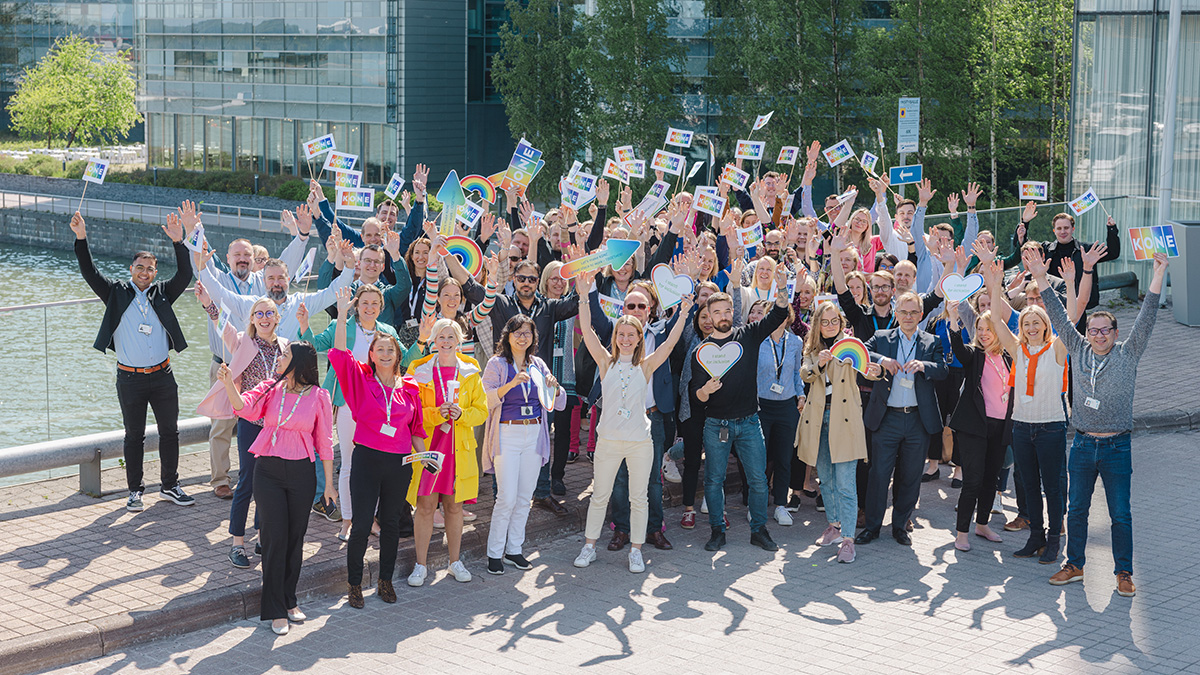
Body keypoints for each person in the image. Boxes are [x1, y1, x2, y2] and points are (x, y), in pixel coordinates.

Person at [1039, 251, 1168, 598]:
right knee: (1077, 510)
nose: (1097, 335)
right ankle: (1075, 566)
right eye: (1093, 330)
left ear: (1114, 332)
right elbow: (1057, 316)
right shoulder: (1077, 348)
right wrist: (1040, 277)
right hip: (1081, 445)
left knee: (1120, 515)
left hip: (1116, 446)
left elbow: (1148, 316)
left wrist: (1157, 274)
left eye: (1104, 330)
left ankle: (1123, 572)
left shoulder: (1128, 353)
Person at [177, 200, 309, 500]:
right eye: (237, 254)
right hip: (226, 364)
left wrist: (301, 235)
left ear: (255, 259)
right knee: (222, 427)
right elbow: (199, 261)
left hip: (261, 369)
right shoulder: (220, 278)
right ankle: (220, 479)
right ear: (228, 257)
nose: (242, 259)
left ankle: (256, 476)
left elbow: (287, 261)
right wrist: (192, 229)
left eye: (247, 255)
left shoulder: (263, 286)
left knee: (260, 424)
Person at [69, 210, 195, 512]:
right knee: (134, 436)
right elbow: (89, 272)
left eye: (150, 268)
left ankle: (169, 486)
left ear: (154, 272)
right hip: (130, 378)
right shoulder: (116, 292)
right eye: (140, 267)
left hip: (163, 376)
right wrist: (81, 238)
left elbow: (185, 275)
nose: (145, 272)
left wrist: (180, 242)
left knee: (170, 432)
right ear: (131, 269)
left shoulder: (163, 293)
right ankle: (135, 491)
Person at [216, 342, 335, 635]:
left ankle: (289, 599)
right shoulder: (270, 387)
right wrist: (229, 382)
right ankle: (275, 609)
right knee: (273, 538)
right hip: (267, 471)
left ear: (298, 362)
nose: (279, 358)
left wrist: (329, 485)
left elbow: (325, 444)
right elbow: (243, 408)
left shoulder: (319, 396)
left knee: (295, 539)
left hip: (301, 474)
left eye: (284, 355)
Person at [573, 281, 693, 572]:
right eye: (621, 334)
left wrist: (685, 311)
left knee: (640, 497)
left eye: (631, 335)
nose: (626, 339)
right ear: (615, 337)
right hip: (609, 442)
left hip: (641, 442)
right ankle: (589, 546)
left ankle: (636, 550)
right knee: (601, 495)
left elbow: (669, 343)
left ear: (639, 338)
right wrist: (583, 297)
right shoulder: (605, 361)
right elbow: (587, 331)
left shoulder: (647, 365)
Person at [299, 284, 425, 541]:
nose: (369, 308)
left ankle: (370, 519)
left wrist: (422, 338)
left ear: (381, 307)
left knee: (377, 463)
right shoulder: (341, 325)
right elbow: (314, 345)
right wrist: (304, 325)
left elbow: (404, 361)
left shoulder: (387, 332)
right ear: (357, 305)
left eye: (374, 304)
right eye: (365, 303)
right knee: (349, 462)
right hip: (348, 403)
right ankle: (348, 519)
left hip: (379, 410)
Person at [328, 287, 427, 609]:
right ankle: (354, 584)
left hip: (400, 464)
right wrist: (342, 313)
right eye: (379, 349)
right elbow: (340, 354)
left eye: (390, 349)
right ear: (371, 354)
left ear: (398, 355)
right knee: (360, 527)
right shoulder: (360, 381)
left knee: (391, 526)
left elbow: (416, 429)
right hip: (368, 460)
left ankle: (385, 580)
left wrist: (425, 458)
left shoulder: (409, 388)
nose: (385, 354)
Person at [690, 263, 792, 553]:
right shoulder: (702, 350)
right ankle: (717, 531)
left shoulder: (747, 335)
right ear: (707, 317)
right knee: (714, 480)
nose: (722, 317)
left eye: (727, 311)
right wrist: (705, 391)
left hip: (749, 422)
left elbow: (779, 314)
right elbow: (695, 396)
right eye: (716, 312)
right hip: (716, 425)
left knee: (759, 479)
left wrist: (782, 287)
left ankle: (759, 530)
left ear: (733, 312)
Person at [983, 256, 1069, 565]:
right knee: (1029, 485)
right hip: (1022, 426)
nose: (1031, 328)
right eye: (1026, 324)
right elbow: (994, 321)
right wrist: (994, 286)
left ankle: (1054, 541)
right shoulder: (1018, 349)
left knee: (1053, 487)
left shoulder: (1057, 347)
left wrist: (1066, 284)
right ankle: (1035, 538)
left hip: (1051, 427)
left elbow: (1069, 319)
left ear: (1046, 326)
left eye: (1037, 323)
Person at [195, 293, 288, 568]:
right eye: (258, 314)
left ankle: (261, 537)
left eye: (269, 313)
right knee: (247, 480)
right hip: (250, 421)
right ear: (252, 320)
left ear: (277, 318)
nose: (264, 318)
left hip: (274, 424)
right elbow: (223, 325)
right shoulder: (244, 342)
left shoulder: (286, 346)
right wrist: (209, 303)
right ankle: (237, 542)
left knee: (268, 482)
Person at [856, 291, 948, 546]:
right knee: (879, 475)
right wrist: (883, 360)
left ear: (921, 315)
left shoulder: (932, 341)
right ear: (896, 314)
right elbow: (863, 353)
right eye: (904, 312)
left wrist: (924, 366)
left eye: (913, 312)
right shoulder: (882, 338)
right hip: (887, 419)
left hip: (918, 420)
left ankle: (900, 526)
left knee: (910, 476)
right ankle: (872, 527)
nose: (908, 317)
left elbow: (943, 370)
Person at [404, 319, 488, 586]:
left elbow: (481, 412)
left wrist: (461, 414)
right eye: (441, 336)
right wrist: (433, 414)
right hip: (429, 446)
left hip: (457, 450)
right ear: (433, 340)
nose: (446, 341)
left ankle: (455, 561)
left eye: (451, 336)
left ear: (460, 340)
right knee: (425, 506)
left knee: (454, 507)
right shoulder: (418, 369)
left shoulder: (471, 370)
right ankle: (420, 565)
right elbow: (411, 413)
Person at [797, 301, 882, 563]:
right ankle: (833, 526)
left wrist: (875, 371)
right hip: (818, 419)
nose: (831, 326)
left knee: (845, 482)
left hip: (844, 420)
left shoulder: (851, 344)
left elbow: (867, 368)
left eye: (835, 321)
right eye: (826, 322)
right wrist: (820, 365)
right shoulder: (812, 349)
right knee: (826, 478)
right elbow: (805, 374)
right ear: (818, 325)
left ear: (841, 323)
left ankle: (848, 539)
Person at [480, 315, 566, 575]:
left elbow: (556, 403)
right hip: (507, 434)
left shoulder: (538, 364)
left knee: (524, 497)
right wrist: (511, 384)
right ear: (507, 336)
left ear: (533, 338)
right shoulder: (497, 364)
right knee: (505, 497)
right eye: (517, 332)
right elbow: (487, 399)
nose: (522, 337)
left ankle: (514, 549)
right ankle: (494, 553)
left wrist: (556, 388)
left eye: (527, 333)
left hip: (533, 435)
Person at [945, 300, 1013, 551]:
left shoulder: (1008, 356)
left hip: (1000, 427)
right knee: (972, 481)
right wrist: (953, 321)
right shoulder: (975, 355)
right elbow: (959, 350)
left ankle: (982, 524)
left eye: (989, 329)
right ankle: (961, 533)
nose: (983, 334)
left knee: (990, 479)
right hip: (974, 427)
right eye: (980, 329)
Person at [746, 300, 805, 527]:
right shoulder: (758, 341)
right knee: (758, 460)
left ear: (788, 317)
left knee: (784, 459)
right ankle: (756, 505)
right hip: (761, 407)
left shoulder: (796, 342)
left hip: (787, 407)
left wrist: (800, 395)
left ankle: (781, 504)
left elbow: (796, 373)